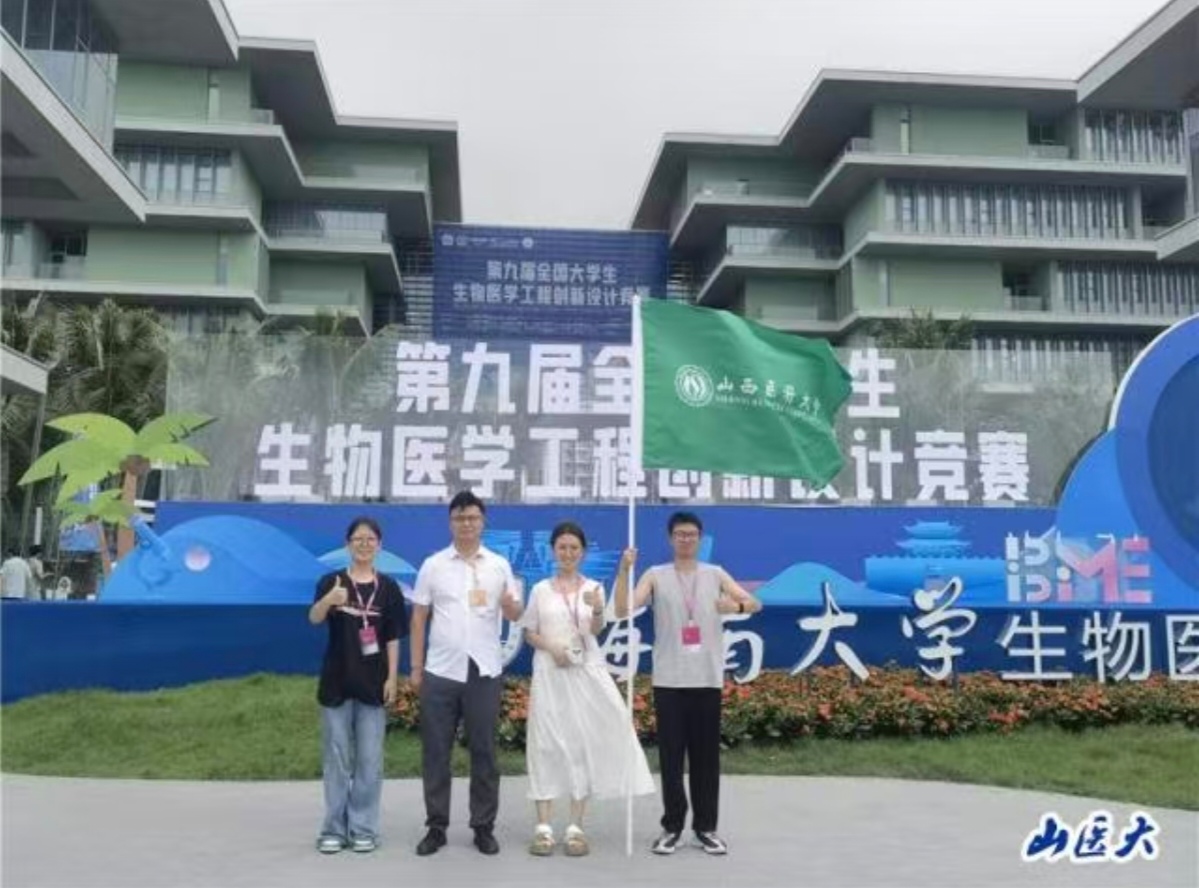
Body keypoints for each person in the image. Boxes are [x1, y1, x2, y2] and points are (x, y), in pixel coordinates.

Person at [614, 511, 762, 857]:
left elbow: (756, 603)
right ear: (670, 539)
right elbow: (622, 609)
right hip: (669, 679)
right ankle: (672, 827)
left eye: (692, 534)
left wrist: (736, 604)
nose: (686, 539)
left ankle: (706, 828)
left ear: (700, 538)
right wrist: (623, 571)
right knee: (671, 759)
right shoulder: (655, 574)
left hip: (707, 679)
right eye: (680, 534)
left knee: (706, 759)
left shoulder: (715, 573)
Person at [521, 521, 654, 857]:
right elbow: (529, 632)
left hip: (585, 674)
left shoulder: (594, 587)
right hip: (550, 672)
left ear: (582, 552)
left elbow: (595, 629)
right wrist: (551, 647)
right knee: (545, 745)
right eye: (562, 547)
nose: (568, 553)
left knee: (581, 746)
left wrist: (595, 607)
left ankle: (576, 827)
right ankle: (543, 828)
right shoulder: (540, 590)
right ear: (553, 550)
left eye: (574, 548)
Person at [410, 491, 524, 856]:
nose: (466, 524)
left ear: (482, 521)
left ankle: (483, 827)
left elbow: (515, 614)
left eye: (472, 517)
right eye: (460, 518)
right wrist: (416, 668)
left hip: (483, 670)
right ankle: (436, 827)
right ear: (450, 522)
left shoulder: (498, 565)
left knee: (484, 751)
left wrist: (511, 605)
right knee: (436, 751)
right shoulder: (433, 565)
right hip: (441, 670)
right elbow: (419, 618)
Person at [308, 516, 407, 855]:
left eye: (370, 539)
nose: (364, 545)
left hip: (373, 684)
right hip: (336, 682)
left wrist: (392, 678)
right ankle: (334, 829)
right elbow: (314, 618)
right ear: (348, 544)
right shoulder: (331, 581)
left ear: (379, 545)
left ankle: (363, 827)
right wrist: (329, 600)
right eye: (358, 539)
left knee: (369, 760)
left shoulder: (389, 588)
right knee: (336, 758)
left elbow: (393, 637)